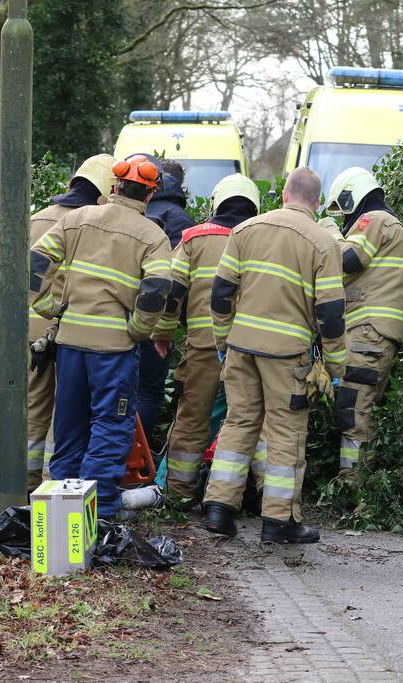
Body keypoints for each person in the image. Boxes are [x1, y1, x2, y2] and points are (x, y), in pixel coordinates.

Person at [0, 154, 115, 492]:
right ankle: (28, 486)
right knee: (35, 410)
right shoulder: (89, 225)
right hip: (34, 332)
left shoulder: (37, 217)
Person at [201, 167, 346, 544]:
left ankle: (218, 509)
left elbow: (219, 294)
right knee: (285, 432)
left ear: (283, 194)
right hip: (287, 355)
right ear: (317, 203)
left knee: (239, 423)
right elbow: (330, 314)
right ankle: (279, 521)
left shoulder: (245, 231)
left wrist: (223, 341)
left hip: (241, 347)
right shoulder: (322, 242)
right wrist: (334, 366)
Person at [28, 154, 172, 520]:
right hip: (114, 350)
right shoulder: (152, 236)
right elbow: (156, 289)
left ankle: (61, 510)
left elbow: (34, 263)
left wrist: (49, 307)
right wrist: (139, 329)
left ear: (114, 187)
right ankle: (101, 510)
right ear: (150, 196)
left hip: (71, 343)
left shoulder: (76, 219)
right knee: (110, 425)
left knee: (70, 425)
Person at [152, 173, 260, 503]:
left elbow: (172, 292)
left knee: (193, 419)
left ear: (216, 202)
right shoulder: (261, 237)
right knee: (249, 423)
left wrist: (163, 333)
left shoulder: (193, 238)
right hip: (250, 350)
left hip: (203, 347)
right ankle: (251, 498)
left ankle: (177, 494)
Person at [323, 166, 403, 477]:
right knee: (360, 405)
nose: (343, 216)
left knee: (354, 407)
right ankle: (358, 484)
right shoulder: (388, 224)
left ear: (353, 196)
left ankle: (352, 486)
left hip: (368, 332)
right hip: (373, 333)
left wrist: (329, 232)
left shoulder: (374, 220)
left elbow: (348, 260)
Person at [140, 160, 196, 440]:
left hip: (120, 315)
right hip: (154, 318)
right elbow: (178, 282)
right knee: (148, 390)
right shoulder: (180, 218)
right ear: (178, 185)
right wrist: (172, 327)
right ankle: (139, 456)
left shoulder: (137, 207)